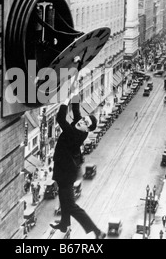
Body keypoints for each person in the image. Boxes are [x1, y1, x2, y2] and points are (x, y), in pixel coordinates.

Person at [50, 85, 106, 239]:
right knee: (63, 198)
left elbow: (60, 119)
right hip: (65, 168)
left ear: (87, 130)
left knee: (71, 206)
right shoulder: (79, 127)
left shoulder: (74, 134)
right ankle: (64, 223)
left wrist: (65, 100)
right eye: (84, 120)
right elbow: (76, 112)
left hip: (66, 172)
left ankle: (97, 231)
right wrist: (74, 94)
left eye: (85, 123)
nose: (82, 121)